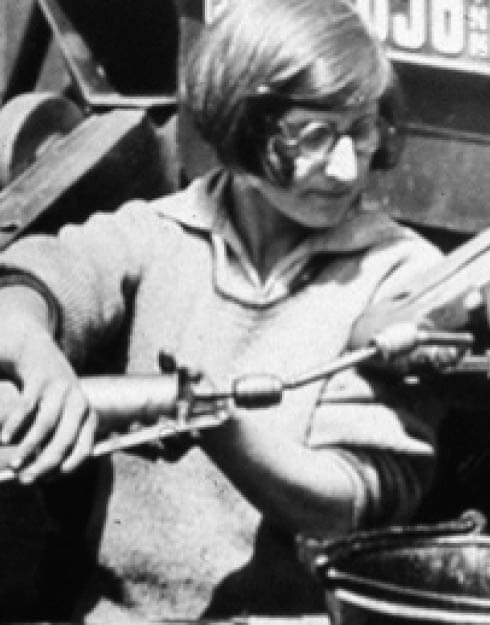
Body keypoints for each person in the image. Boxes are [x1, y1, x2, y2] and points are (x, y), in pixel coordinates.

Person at [0, 0, 446, 620]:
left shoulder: (398, 275)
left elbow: (349, 502)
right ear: (243, 125)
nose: (347, 167)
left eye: (362, 130)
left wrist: (217, 421)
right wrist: (34, 349)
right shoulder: (160, 234)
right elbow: (31, 282)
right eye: (316, 136)